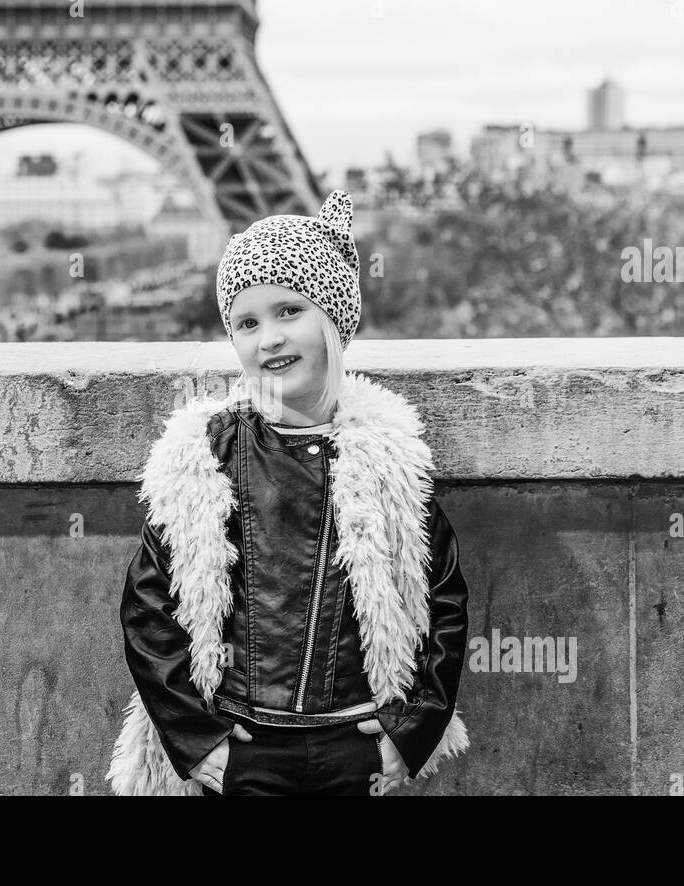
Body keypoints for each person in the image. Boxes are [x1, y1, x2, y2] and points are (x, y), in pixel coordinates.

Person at [107, 190, 470, 796]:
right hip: (244, 746)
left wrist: (407, 735)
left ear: (332, 321)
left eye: (288, 312)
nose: (268, 337)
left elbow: (442, 598)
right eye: (247, 323)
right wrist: (200, 744)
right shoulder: (207, 455)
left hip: (355, 745)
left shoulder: (388, 457)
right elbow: (149, 609)